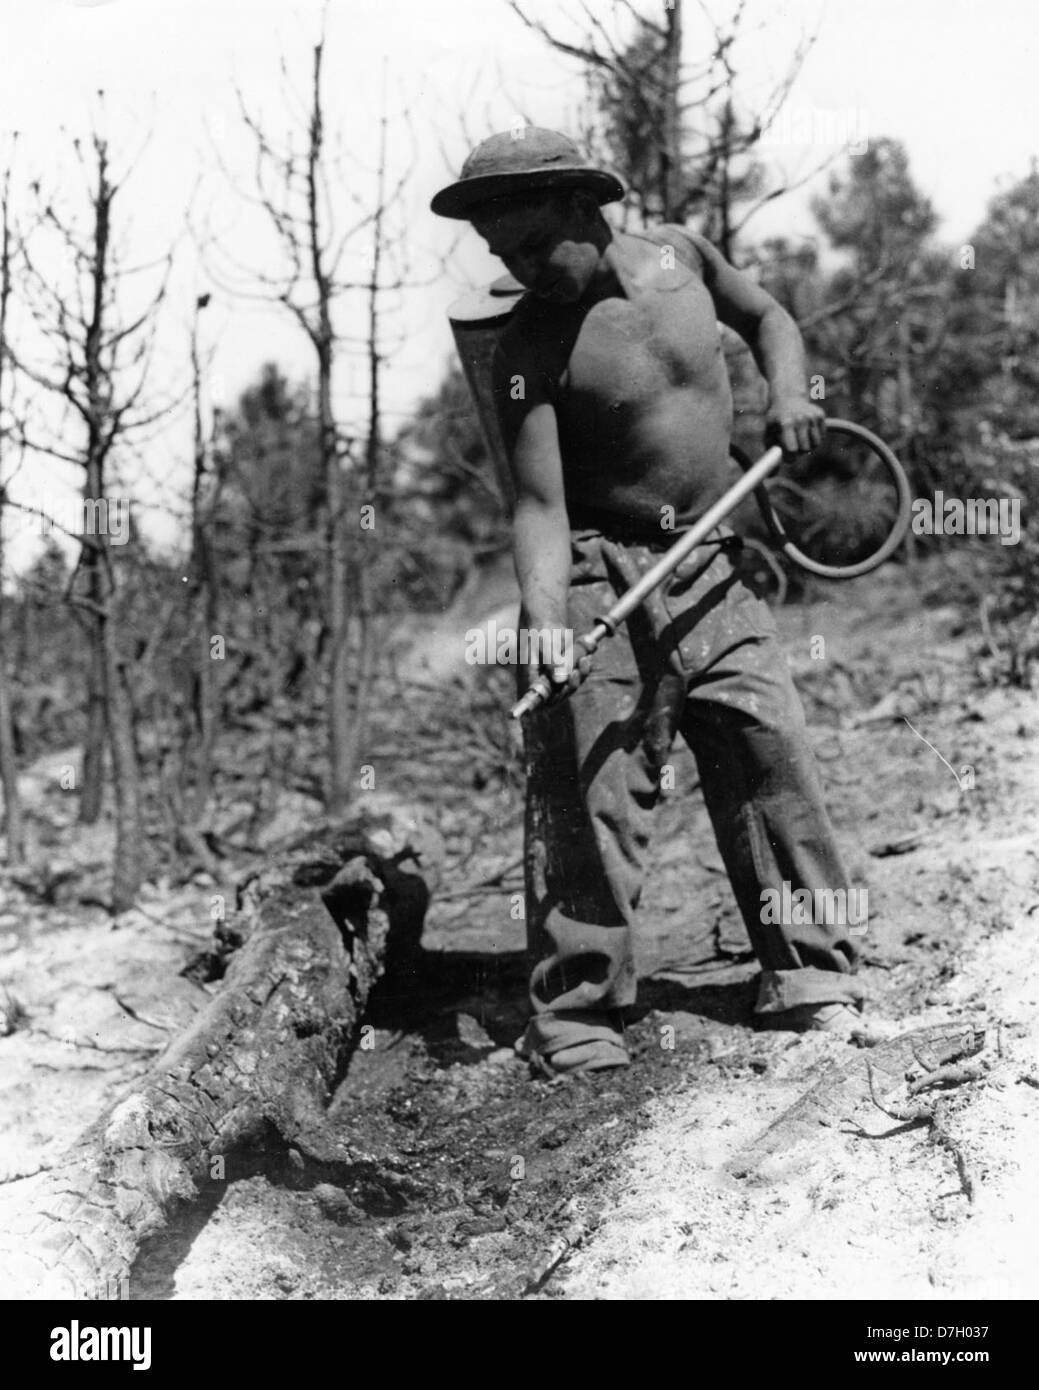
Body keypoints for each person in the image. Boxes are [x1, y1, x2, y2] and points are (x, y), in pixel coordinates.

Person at [432, 128, 867, 1075]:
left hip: (710, 559)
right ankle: (576, 1013)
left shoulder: (683, 257)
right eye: (502, 255)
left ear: (589, 208)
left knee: (767, 750)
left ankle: (810, 974)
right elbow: (538, 506)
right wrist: (548, 627)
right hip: (595, 573)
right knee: (591, 786)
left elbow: (771, 323)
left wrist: (790, 394)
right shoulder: (526, 349)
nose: (521, 269)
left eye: (536, 248)